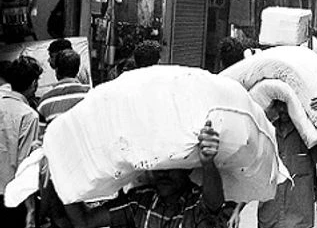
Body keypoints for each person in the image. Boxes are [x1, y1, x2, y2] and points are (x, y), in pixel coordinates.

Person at [60, 120, 228, 228]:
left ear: (187, 167)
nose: (163, 174)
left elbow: (213, 204)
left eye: (171, 166)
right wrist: (63, 172)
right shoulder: (140, 200)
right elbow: (86, 221)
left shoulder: (195, 203)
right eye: (158, 165)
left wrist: (208, 163)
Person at [253, 97, 317, 228]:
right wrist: (237, 209)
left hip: (299, 220)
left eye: (287, 105)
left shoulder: (307, 133)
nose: (283, 110)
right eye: (279, 105)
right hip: (269, 217)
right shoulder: (265, 130)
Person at [0, 59, 40, 228]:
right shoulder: (28, 115)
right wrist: (31, 209)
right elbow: (25, 165)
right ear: (34, 83)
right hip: (11, 197)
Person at [38, 49, 90, 124]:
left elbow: (42, 134)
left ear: (56, 70)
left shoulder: (44, 102)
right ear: (77, 70)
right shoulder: (92, 95)